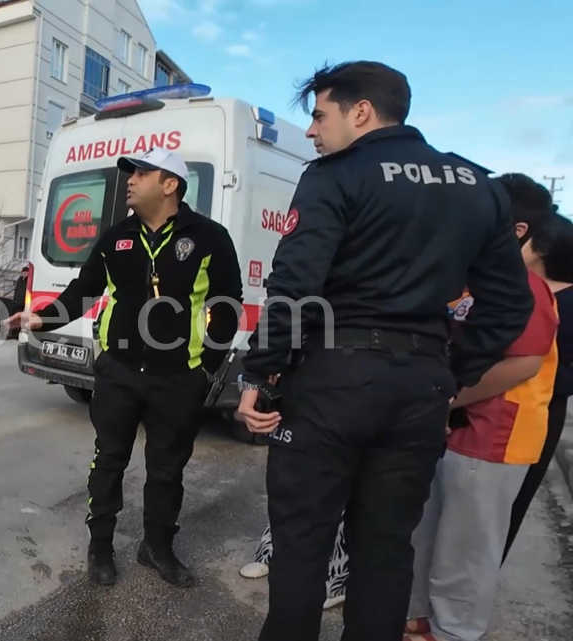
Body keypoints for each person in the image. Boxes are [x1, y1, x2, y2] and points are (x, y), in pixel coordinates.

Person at [236, 61, 533, 641]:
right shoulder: (479, 186)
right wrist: (451, 371)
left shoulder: (334, 175)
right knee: (385, 551)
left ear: (361, 111)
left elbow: (294, 287)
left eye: (320, 116)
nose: (314, 132)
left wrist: (260, 373)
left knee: (301, 549)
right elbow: (507, 308)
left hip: (330, 383)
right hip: (419, 388)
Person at [6, 147, 242, 587]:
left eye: (141, 172)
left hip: (178, 380)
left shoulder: (209, 238)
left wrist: (206, 370)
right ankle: (100, 546)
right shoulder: (117, 238)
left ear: (170, 184)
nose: (130, 180)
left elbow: (226, 308)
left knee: (167, 469)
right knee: (108, 460)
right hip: (118, 373)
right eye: (130, 173)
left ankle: (158, 547)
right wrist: (44, 317)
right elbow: (83, 290)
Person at [401, 174, 560, 641]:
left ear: (516, 229)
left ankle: (454, 631)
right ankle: (422, 619)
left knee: (467, 551)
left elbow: (522, 364)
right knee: (431, 538)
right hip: (456, 431)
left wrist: (449, 397)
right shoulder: (476, 276)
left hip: (497, 436)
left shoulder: (524, 288)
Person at [504, 181, 573, 559]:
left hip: (537, 410)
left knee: (508, 504)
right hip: (515, 407)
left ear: (542, 248)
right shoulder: (523, 289)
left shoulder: (555, 299)